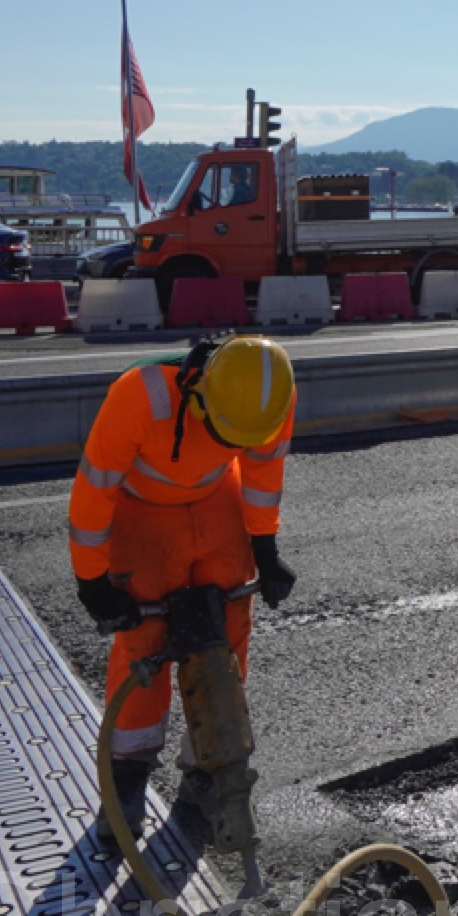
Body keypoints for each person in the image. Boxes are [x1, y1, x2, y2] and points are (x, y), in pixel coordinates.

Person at [67, 335, 298, 815]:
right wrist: (92, 581)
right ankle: (127, 772)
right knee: (142, 640)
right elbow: (96, 490)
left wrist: (266, 550)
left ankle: (209, 767)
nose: (235, 443)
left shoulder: (270, 397)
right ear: (198, 394)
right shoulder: (140, 396)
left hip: (215, 496)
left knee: (230, 620)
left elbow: (261, 475)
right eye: (226, 433)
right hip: (140, 505)